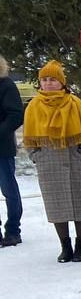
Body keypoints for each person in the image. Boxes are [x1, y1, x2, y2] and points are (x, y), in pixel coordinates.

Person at [21, 61, 81, 262]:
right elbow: (29, 136)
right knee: (56, 206)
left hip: (74, 158)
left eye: (53, 79)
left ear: (61, 82)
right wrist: (37, 157)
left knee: (80, 204)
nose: (48, 83)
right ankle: (65, 246)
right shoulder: (34, 106)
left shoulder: (75, 103)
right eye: (44, 79)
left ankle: (80, 246)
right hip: (48, 161)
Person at [0, 57, 23, 248]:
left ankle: (13, 230)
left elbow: (16, 115)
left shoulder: (6, 85)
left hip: (2, 148)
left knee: (9, 191)